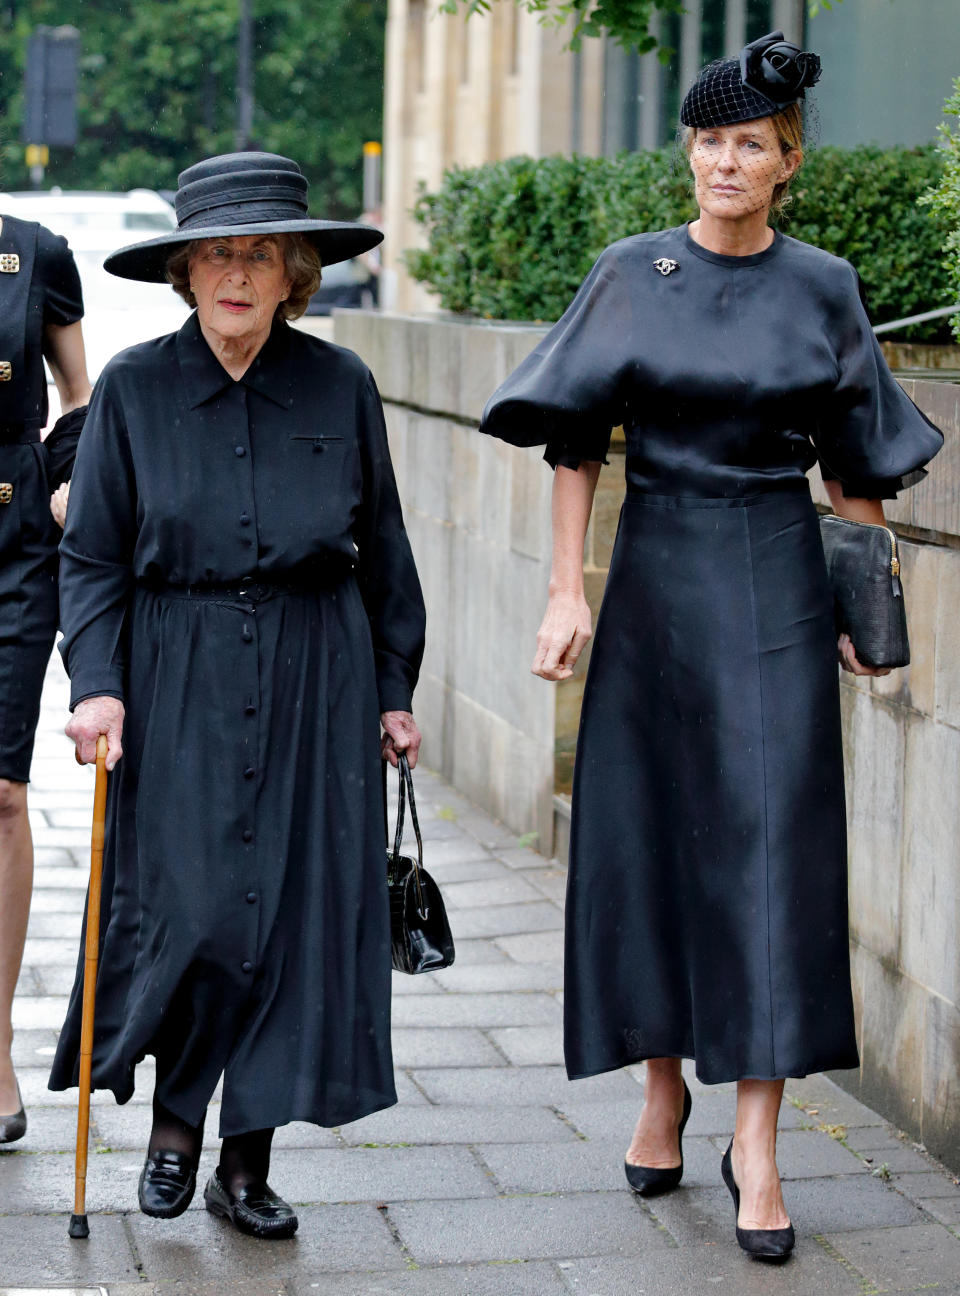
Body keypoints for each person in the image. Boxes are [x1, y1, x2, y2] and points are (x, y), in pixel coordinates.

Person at [479, 33, 942, 1260]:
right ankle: (659, 1086)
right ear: (688, 151)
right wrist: (565, 592)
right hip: (655, 578)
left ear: (787, 163)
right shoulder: (634, 272)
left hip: (777, 580)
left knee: (774, 854)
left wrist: (874, 611)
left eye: (750, 145)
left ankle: (759, 1145)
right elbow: (573, 436)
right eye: (710, 141)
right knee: (646, 841)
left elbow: (857, 466)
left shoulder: (825, 285)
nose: (724, 161)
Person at [49, 152, 426, 1240]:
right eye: (216, 252)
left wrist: (393, 685)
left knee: (292, 922)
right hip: (181, 669)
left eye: (259, 253)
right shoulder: (131, 387)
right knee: (200, 912)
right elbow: (95, 559)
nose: (236, 273)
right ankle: (175, 1127)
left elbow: (384, 547)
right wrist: (101, 687)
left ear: (294, 272)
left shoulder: (340, 385)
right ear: (184, 271)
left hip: (320, 669)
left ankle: (245, 1164)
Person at [0, 210, 90, 1145]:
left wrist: (70, 478)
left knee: (2, 793)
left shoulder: (35, 250)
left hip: (12, 544)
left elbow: (78, 392)